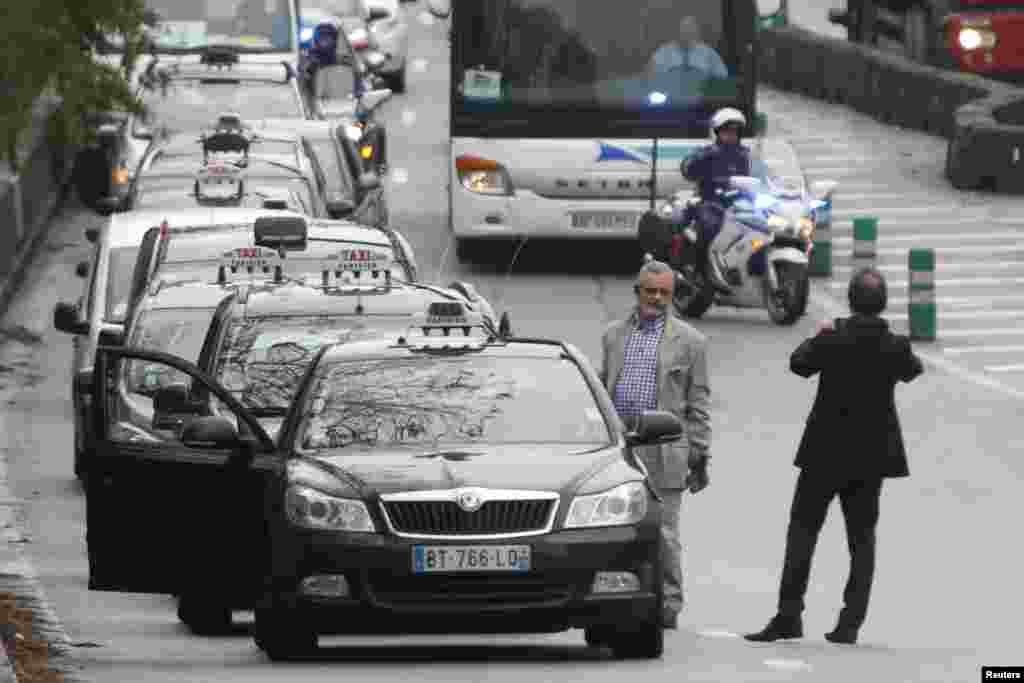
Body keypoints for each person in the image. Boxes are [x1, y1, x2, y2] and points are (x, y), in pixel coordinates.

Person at [744, 268, 924, 645]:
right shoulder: (894, 346)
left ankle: (788, 615)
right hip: (870, 461)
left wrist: (821, 333)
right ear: (883, 303)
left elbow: (798, 363)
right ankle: (849, 624)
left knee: (802, 533)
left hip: (823, 455)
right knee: (861, 540)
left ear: (852, 300)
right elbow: (913, 371)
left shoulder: (834, 338)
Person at [600, 258, 711, 630]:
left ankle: (669, 606)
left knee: (664, 534)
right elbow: (602, 387)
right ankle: (612, 596)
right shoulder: (613, 335)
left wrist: (700, 454)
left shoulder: (692, 342)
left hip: (666, 451)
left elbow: (698, 404)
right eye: (651, 291)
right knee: (612, 529)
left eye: (665, 293)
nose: (658, 299)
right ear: (637, 293)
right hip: (621, 451)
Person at [680, 107, 751, 283]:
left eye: (735, 132)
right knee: (710, 226)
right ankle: (700, 271)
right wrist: (701, 161)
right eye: (727, 131)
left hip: (739, 205)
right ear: (716, 133)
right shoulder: (708, 152)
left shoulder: (746, 155)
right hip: (710, 203)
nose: (731, 135)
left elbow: (763, 176)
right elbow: (687, 169)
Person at [648, 16, 729, 80]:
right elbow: (649, 75)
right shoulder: (663, 52)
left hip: (701, 97)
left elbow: (723, 78)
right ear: (677, 30)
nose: (687, 31)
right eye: (684, 27)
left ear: (696, 31)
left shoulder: (709, 53)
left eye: (690, 28)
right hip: (672, 97)